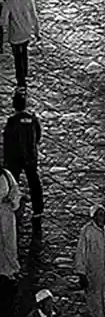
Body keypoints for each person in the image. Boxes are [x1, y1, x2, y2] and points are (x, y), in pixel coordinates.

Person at [3, 89, 43, 221]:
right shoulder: (33, 119)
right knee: (34, 182)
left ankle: (14, 206)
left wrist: (6, 160)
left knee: (13, 182)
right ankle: (38, 209)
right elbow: (38, 136)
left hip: (15, 157)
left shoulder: (12, 121)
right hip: (30, 155)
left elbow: (8, 141)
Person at [0, 0, 41, 88]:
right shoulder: (29, 0)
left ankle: (20, 78)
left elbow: (3, 21)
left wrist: (3, 35)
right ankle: (25, 72)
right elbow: (34, 17)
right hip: (26, 32)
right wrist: (37, 32)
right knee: (24, 52)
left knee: (17, 56)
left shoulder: (8, 2)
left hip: (15, 35)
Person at [0, 164, 20, 296]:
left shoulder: (6, 175)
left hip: (5, 215)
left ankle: (10, 270)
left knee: (9, 242)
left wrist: (12, 201)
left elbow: (15, 190)